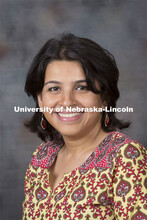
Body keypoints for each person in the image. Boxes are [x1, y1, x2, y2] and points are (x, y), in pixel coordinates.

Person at [22, 33, 146, 220]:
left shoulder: (126, 157)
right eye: (54, 89)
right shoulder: (41, 157)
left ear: (104, 98)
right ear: (40, 99)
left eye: (81, 87)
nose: (67, 101)